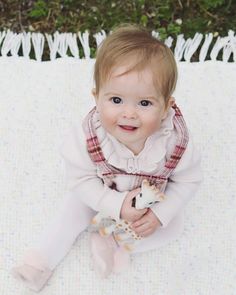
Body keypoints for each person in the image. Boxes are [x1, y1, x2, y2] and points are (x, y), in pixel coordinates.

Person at [12, 24, 202, 291]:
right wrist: (113, 204)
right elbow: (80, 180)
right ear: (97, 97)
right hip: (100, 190)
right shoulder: (89, 137)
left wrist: (160, 214)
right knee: (70, 211)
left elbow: (189, 181)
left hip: (148, 202)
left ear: (166, 107)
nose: (129, 113)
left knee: (173, 226)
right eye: (115, 100)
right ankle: (40, 262)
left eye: (144, 103)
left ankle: (113, 242)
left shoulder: (174, 141)